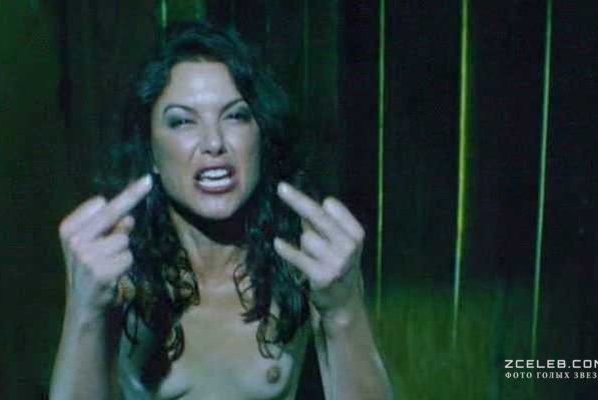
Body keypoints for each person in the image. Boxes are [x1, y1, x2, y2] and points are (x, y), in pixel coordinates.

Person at [50, 22, 391, 400]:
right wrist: (84, 309)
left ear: (261, 136)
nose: (214, 143)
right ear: (151, 151)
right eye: (183, 121)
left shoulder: (303, 265)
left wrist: (343, 309)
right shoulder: (120, 274)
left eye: (235, 116)